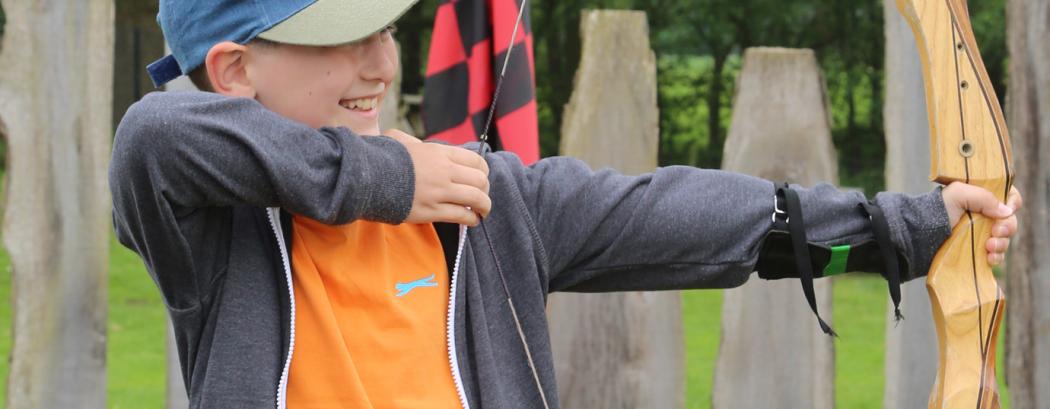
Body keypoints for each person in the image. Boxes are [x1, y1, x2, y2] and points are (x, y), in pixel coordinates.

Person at [110, 0, 1022, 408]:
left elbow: (689, 217)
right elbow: (157, 135)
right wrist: (391, 181)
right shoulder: (215, 233)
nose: (381, 64)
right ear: (234, 71)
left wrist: (899, 234)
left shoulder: (487, 198)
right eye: (341, 40)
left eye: (384, 30)